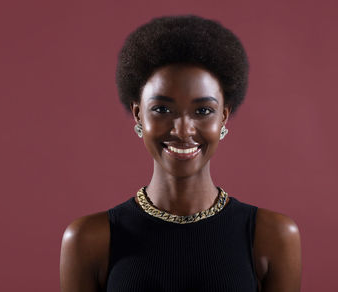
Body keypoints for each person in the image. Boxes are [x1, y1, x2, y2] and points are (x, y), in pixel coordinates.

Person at [60, 15, 301, 292]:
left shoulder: (273, 237)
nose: (183, 130)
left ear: (223, 117)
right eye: (162, 109)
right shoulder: (89, 240)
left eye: (203, 111)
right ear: (138, 114)